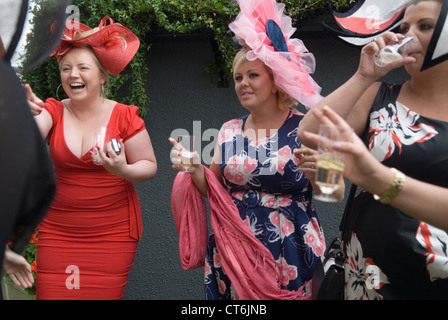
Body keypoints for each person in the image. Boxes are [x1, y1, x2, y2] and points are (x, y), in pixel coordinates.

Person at [169, 0, 338, 300]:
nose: (243, 84)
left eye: (252, 75)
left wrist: (319, 176)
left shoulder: (309, 126)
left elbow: (335, 193)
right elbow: (216, 191)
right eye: (238, 78)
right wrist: (195, 168)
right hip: (234, 250)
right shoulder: (229, 129)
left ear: (275, 81)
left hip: (291, 249)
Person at [298, 0, 448, 299]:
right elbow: (310, 132)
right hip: (367, 276)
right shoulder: (378, 96)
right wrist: (365, 75)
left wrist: (378, 178)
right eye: (403, 28)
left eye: (426, 26)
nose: (407, 36)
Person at [26, 17, 157, 300]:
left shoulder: (124, 115)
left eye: (83, 67)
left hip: (112, 233)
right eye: (66, 68)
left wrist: (122, 169)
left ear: (102, 76)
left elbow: (148, 167)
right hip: (58, 231)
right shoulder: (54, 111)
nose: (73, 74)